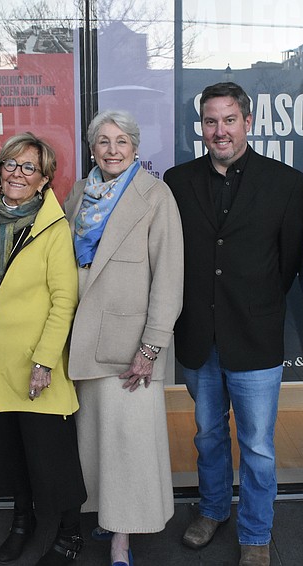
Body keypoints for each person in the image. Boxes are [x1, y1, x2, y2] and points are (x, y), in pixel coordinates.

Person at [163, 82, 303, 566]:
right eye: (210, 121)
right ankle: (213, 509)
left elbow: (288, 263)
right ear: (199, 126)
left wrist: (253, 303)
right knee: (207, 435)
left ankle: (256, 534)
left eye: (229, 120)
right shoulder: (177, 181)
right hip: (200, 337)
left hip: (255, 335)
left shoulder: (285, 183)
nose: (219, 130)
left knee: (259, 447)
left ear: (248, 122)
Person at [64, 110, 184, 566]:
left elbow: (169, 278)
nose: (112, 149)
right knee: (94, 442)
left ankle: (122, 540)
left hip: (129, 345)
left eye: (122, 141)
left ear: (136, 147)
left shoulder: (155, 195)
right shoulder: (79, 192)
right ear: (92, 148)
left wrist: (151, 347)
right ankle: (106, 516)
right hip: (83, 337)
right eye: (103, 141)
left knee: (129, 446)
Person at [0, 133, 86, 565]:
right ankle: (22, 522)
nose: (17, 174)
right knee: (13, 454)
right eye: (11, 165)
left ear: (45, 179)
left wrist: (45, 360)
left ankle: (70, 532)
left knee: (52, 457)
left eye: (28, 167)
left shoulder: (54, 228)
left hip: (38, 363)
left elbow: (64, 298)